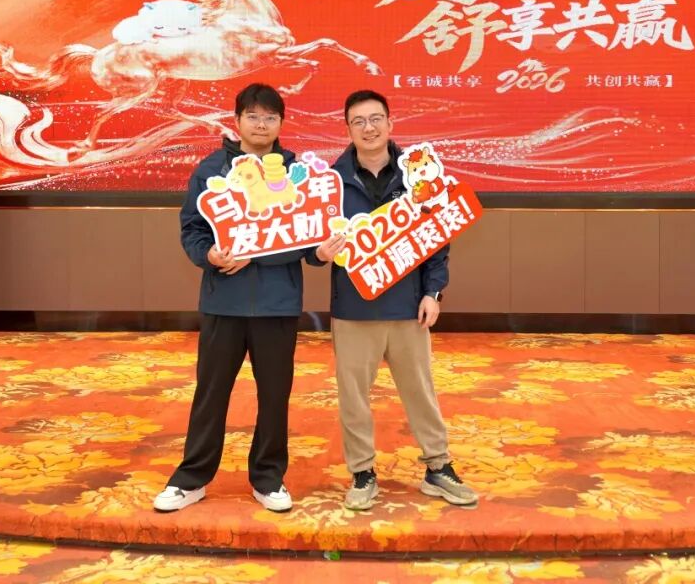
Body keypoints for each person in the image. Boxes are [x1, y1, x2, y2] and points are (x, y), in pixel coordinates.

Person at [153, 82, 337, 513]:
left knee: (274, 395)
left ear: (281, 123)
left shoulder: (298, 174)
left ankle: (268, 477)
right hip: (224, 302)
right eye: (252, 116)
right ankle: (191, 478)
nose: (261, 124)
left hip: (278, 304)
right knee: (211, 393)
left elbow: (310, 239)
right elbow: (192, 228)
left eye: (270, 117)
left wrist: (318, 252)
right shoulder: (211, 170)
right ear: (237, 121)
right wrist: (209, 255)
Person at [325, 89, 478, 511]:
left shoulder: (418, 175)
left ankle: (438, 466)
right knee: (353, 396)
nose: (369, 128)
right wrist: (319, 252)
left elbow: (437, 237)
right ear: (348, 129)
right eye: (359, 121)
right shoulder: (330, 182)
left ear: (390, 123)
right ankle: (362, 472)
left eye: (376, 119)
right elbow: (314, 247)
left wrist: (433, 291)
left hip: (409, 307)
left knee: (420, 391)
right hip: (354, 309)